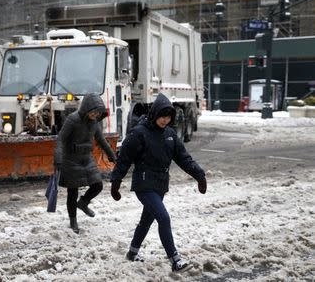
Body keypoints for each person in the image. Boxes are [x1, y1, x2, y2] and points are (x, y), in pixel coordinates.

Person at [110, 93, 207, 272]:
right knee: (163, 217)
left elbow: (184, 159)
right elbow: (124, 159)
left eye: (168, 117)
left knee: (146, 220)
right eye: (162, 116)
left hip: (161, 185)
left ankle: (132, 252)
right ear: (154, 114)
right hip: (144, 184)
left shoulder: (170, 134)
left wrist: (199, 175)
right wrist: (115, 182)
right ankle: (175, 260)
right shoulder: (139, 133)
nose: (165, 120)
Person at [54, 93, 116, 234]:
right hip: (71, 159)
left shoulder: (94, 122)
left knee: (98, 185)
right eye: (93, 112)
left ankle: (83, 203)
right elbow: (61, 139)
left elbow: (101, 140)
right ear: (87, 108)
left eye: (97, 113)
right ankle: (73, 220)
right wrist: (58, 158)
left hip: (86, 158)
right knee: (72, 191)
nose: (95, 115)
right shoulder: (73, 119)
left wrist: (112, 156)